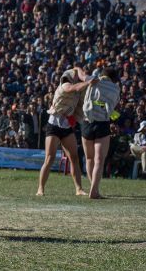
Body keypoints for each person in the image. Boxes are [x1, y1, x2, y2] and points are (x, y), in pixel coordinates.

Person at [36, 65, 95, 196]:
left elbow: (82, 102)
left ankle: (79, 189)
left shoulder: (78, 91)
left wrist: (82, 74)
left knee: (74, 158)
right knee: (49, 158)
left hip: (67, 127)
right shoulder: (65, 86)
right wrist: (88, 81)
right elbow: (73, 87)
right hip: (54, 126)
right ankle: (40, 189)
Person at [81, 67, 120, 198]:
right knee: (99, 160)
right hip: (102, 123)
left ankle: (93, 186)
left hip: (87, 122)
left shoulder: (93, 80)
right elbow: (112, 106)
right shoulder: (115, 89)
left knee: (89, 158)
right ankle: (94, 190)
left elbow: (83, 77)